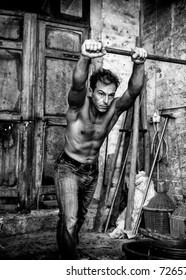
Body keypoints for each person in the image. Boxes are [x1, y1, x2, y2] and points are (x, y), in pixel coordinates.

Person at [54, 39, 147, 259]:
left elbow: (133, 92)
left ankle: (65, 255)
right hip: (68, 168)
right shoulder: (78, 107)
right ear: (91, 91)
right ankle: (71, 263)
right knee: (70, 219)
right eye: (100, 94)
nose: (105, 100)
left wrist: (139, 64)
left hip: (91, 172)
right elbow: (77, 83)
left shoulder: (113, 110)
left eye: (110, 95)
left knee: (76, 220)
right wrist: (85, 57)